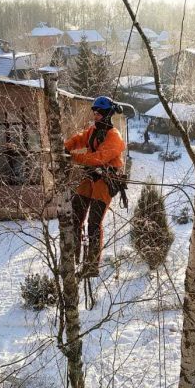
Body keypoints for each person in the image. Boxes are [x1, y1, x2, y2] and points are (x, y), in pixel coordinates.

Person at [65, 96, 126, 278]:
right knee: (75, 216)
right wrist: (65, 147)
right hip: (90, 176)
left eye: (99, 113)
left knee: (93, 224)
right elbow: (79, 138)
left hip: (106, 181)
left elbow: (98, 158)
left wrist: (74, 158)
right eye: (95, 112)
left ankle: (91, 266)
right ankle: (74, 259)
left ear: (107, 114)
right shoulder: (92, 131)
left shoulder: (114, 137)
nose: (95, 115)